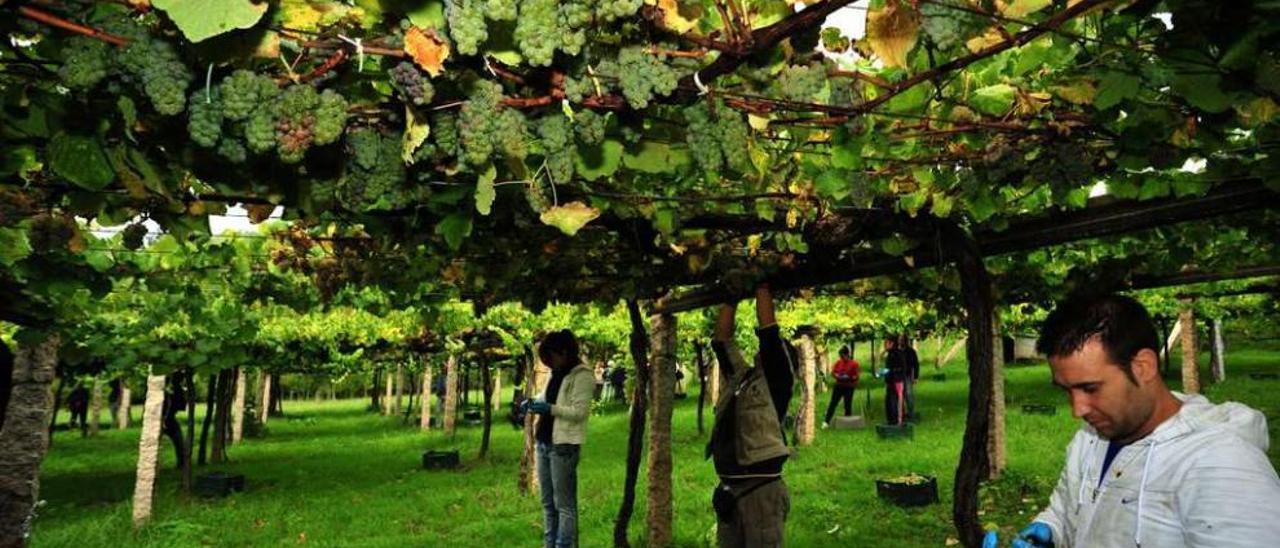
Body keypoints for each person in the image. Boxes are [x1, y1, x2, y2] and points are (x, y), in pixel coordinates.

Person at [984, 294, 1280, 548]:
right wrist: (1051, 529)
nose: (1078, 409)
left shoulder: (1223, 467)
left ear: (1143, 367)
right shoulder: (1089, 440)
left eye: (1090, 388)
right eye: (1067, 391)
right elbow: (1069, 509)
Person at [707, 284, 797, 547]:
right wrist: (731, 296)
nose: (760, 352)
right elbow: (722, 342)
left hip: (760, 492)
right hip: (731, 491)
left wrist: (761, 283)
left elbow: (768, 332)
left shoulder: (777, 381)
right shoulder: (742, 378)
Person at [524, 329, 594, 548]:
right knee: (547, 504)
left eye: (550, 358)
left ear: (563, 352)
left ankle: (564, 545)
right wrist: (532, 403)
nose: (549, 363)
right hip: (544, 442)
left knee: (564, 505)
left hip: (563, 446)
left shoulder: (582, 375)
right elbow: (545, 397)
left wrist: (550, 408)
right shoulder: (556, 373)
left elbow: (579, 412)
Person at [823, 346, 860, 428]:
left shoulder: (854, 364)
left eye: (843, 356)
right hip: (839, 385)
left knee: (847, 404)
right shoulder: (839, 362)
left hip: (849, 386)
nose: (842, 358)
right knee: (833, 403)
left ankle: (848, 423)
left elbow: (856, 376)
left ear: (847, 355)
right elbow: (833, 372)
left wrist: (849, 377)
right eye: (841, 356)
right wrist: (838, 376)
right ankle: (826, 422)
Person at [881, 338, 909, 425]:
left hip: (897, 381)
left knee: (896, 400)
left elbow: (900, 368)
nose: (885, 345)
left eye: (886, 343)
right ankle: (891, 419)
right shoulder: (890, 354)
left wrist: (888, 371)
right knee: (889, 400)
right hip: (890, 381)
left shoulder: (897, 354)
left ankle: (899, 420)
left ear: (892, 343)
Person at [162, 378, 187, 467]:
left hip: (168, 420)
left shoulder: (169, 394)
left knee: (179, 442)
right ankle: (182, 462)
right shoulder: (166, 395)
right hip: (167, 420)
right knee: (179, 441)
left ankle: (182, 462)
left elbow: (181, 406)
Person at [899, 335, 920, 421]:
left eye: (902, 340)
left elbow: (916, 364)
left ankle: (911, 413)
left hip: (907, 375)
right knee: (900, 395)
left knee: (908, 394)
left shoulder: (911, 352)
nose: (901, 342)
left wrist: (915, 377)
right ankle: (902, 414)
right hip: (899, 375)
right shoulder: (898, 351)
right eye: (900, 340)